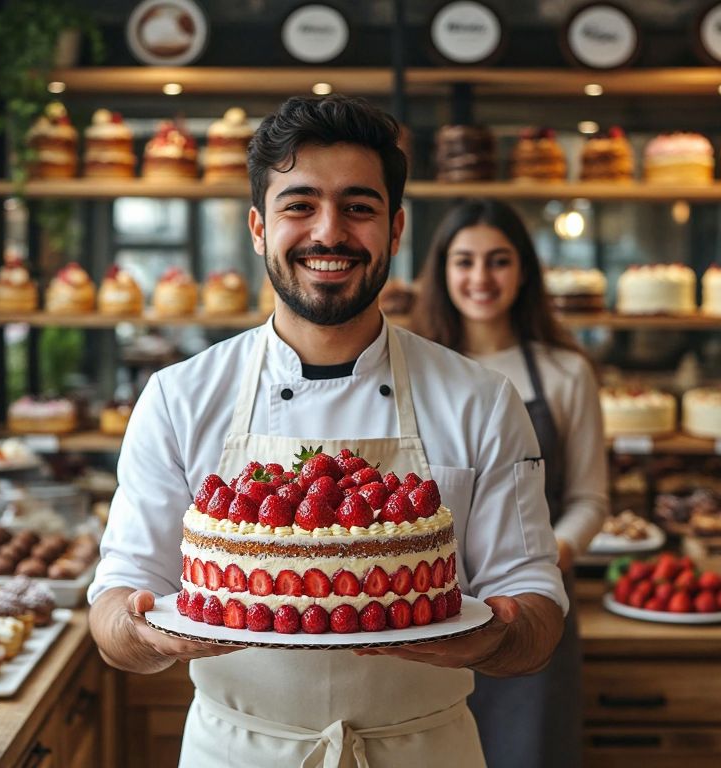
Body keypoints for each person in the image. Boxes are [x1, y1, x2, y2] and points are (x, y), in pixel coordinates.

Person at [86, 96, 567, 768]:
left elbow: (537, 616)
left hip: (426, 749)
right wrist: (148, 632)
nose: (330, 233)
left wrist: (484, 641)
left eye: (359, 208)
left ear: (396, 229)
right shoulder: (177, 398)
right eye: (300, 205)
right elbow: (115, 610)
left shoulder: (481, 400)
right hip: (237, 752)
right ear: (258, 226)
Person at [414, 199, 609, 768]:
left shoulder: (566, 371)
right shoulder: (413, 373)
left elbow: (590, 500)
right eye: (464, 261)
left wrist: (540, 565)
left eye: (498, 261)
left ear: (523, 270)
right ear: (442, 271)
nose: (480, 278)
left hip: (528, 615)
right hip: (429, 612)